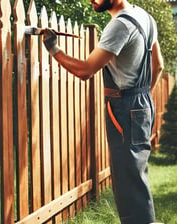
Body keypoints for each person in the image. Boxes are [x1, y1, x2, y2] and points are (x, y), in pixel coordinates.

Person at [42, 0, 164, 223]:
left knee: (128, 182)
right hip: (141, 102)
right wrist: (142, 100)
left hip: (124, 106)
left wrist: (53, 48)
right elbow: (159, 65)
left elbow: (86, 70)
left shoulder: (120, 25)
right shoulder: (145, 17)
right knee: (135, 176)